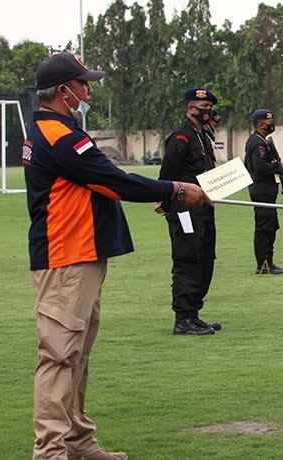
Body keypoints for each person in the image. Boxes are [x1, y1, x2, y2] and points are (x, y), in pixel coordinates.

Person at [25, 53, 209, 460]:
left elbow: (106, 184)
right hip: (65, 258)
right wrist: (176, 190)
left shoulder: (58, 131)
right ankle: (51, 452)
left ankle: (78, 443)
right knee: (59, 357)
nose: (88, 92)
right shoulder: (60, 136)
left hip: (80, 255)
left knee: (77, 356)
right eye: (83, 85)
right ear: (63, 91)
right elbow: (114, 181)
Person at [158, 88, 223, 334]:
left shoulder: (202, 136)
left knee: (205, 260)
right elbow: (168, 174)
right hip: (185, 209)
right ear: (190, 109)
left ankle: (194, 314)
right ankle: (183, 319)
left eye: (209, 106)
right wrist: (164, 200)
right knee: (188, 260)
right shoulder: (181, 137)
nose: (208, 110)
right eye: (203, 106)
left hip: (204, 210)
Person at [244, 109, 283, 275]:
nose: (272, 125)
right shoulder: (257, 143)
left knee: (270, 226)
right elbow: (260, 167)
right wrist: (279, 166)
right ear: (261, 124)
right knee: (264, 227)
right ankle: (262, 264)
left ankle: (269, 262)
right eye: (269, 123)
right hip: (261, 190)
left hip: (267, 190)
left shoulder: (262, 140)